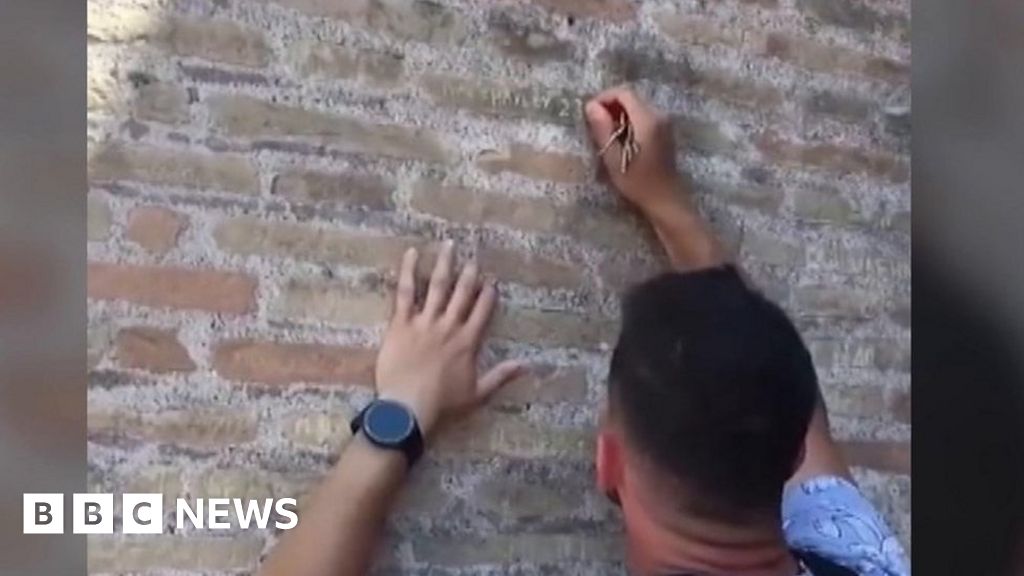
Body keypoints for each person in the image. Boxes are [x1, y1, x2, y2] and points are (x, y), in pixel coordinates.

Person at [257, 87, 910, 576]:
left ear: (609, 463)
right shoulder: (856, 558)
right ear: (791, 454)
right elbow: (760, 374)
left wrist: (397, 416)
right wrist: (667, 203)